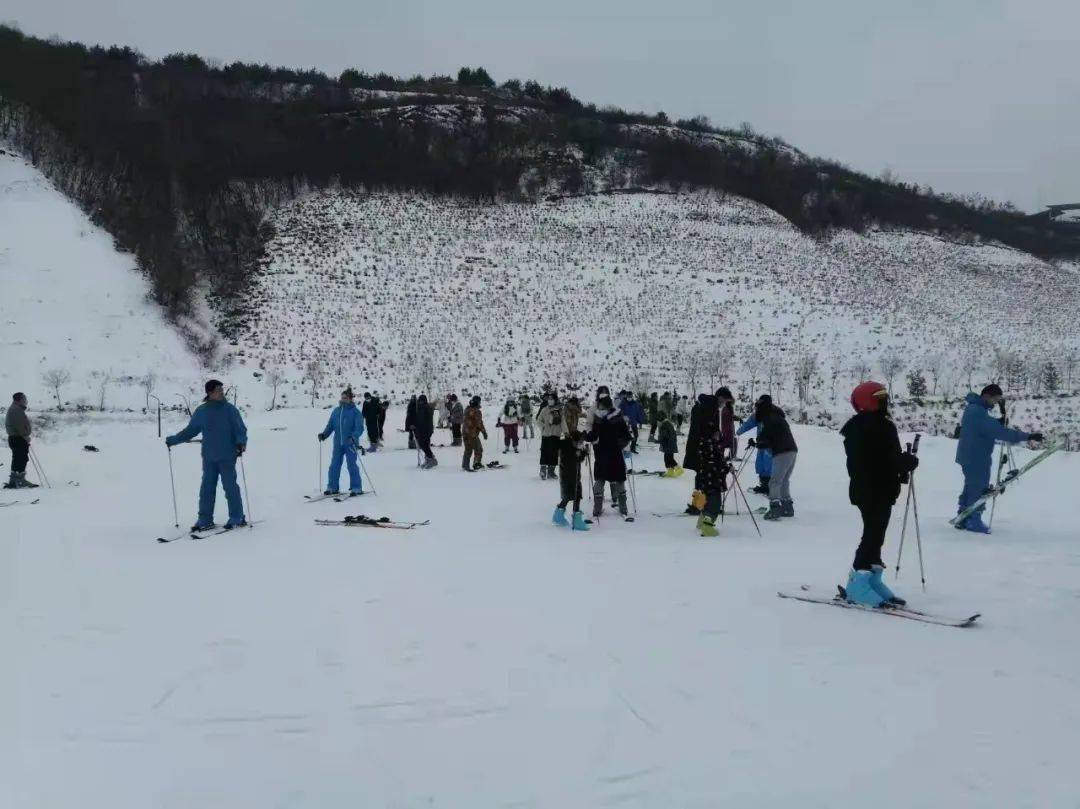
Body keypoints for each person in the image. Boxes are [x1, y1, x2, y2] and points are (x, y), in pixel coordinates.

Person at [840, 382, 919, 607]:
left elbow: (877, 459)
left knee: (876, 534)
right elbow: (880, 460)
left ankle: (871, 580)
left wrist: (900, 464)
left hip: (871, 489)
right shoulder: (877, 426)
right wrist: (904, 462)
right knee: (873, 535)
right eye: (881, 398)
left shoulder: (860, 426)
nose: (885, 402)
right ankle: (858, 585)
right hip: (874, 489)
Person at [955, 383, 1042, 533]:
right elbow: (999, 433)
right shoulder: (977, 412)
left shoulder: (974, 408)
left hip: (969, 455)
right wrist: (1028, 436)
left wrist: (998, 421)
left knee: (970, 486)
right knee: (978, 488)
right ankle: (973, 520)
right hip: (976, 457)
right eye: (995, 400)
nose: (995, 403)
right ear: (987, 396)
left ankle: (963, 516)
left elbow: (985, 426)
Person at [165, 379, 248, 531]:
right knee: (207, 489)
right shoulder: (202, 412)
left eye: (222, 390)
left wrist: (241, 442)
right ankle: (205, 519)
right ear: (209, 392)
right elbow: (190, 431)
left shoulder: (230, 410)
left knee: (230, 487)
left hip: (227, 455)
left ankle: (237, 517)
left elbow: (240, 428)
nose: (222, 392)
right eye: (218, 390)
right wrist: (174, 440)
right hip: (209, 457)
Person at [752, 396, 798, 520]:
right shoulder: (777, 416)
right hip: (792, 450)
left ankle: (775, 509)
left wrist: (757, 442)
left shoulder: (769, 418)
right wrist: (760, 442)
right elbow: (770, 437)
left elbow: (765, 438)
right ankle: (787, 508)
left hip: (782, 452)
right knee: (783, 480)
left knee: (775, 481)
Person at [587, 394, 631, 518]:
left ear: (605, 405)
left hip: (608, 453)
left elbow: (625, 435)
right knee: (610, 479)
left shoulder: (608, 417)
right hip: (607, 453)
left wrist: (620, 444)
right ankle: (605, 508)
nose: (599, 406)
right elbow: (595, 435)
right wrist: (590, 436)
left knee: (609, 479)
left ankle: (613, 508)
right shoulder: (602, 417)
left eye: (600, 404)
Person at [694, 391, 732, 537]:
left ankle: (701, 521)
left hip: (704, 469)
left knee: (707, 495)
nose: (723, 405)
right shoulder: (710, 440)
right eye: (724, 402)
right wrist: (726, 467)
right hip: (712, 472)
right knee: (715, 500)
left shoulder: (703, 436)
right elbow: (715, 460)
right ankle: (707, 526)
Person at [318, 387, 365, 495]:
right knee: (334, 465)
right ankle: (332, 487)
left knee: (351, 465)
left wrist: (354, 436)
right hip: (338, 443)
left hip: (350, 443)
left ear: (350, 399)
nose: (343, 400)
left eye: (345, 398)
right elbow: (330, 425)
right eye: (342, 398)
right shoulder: (336, 411)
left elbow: (359, 428)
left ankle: (356, 487)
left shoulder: (355, 412)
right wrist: (324, 434)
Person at [553, 430, 590, 531]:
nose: (580, 444)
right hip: (570, 477)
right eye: (579, 442)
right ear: (573, 441)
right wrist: (581, 454)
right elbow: (574, 460)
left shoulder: (571, 447)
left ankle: (558, 515)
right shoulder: (568, 448)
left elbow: (578, 459)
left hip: (572, 476)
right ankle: (576, 519)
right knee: (575, 495)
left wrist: (583, 453)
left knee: (569, 496)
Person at [736, 395, 774, 495]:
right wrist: (738, 432)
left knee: (769, 464)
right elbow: (748, 424)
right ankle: (764, 486)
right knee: (760, 464)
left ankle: (772, 488)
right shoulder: (758, 414)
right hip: (761, 443)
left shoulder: (774, 415)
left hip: (771, 444)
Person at [682, 393, 709, 515]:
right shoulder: (702, 412)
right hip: (700, 449)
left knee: (699, 477)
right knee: (702, 478)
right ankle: (699, 505)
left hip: (695, 448)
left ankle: (697, 504)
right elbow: (700, 431)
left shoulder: (696, 410)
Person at [5, 392, 36, 489]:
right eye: (24, 399)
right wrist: (25, 436)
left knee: (20, 458)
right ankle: (18, 480)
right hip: (18, 438)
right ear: (19, 400)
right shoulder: (15, 410)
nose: (26, 401)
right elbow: (19, 426)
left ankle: (16, 480)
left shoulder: (16, 409)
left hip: (18, 438)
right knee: (20, 459)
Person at [537, 391, 563, 479]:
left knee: (554, 453)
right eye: (549, 399)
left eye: (552, 399)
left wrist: (566, 432)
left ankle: (551, 472)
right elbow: (538, 420)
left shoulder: (559, 410)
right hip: (546, 435)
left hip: (556, 434)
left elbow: (563, 423)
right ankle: (543, 471)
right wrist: (543, 427)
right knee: (544, 452)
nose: (550, 400)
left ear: (555, 400)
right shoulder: (544, 409)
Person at [461, 396, 488, 471]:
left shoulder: (467, 409)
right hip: (472, 434)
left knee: (468, 449)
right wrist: (484, 432)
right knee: (478, 449)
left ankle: (465, 465)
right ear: (477, 402)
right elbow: (479, 423)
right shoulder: (476, 411)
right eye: (479, 402)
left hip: (465, 432)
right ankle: (477, 464)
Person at [414, 394, 438, 468]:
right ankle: (429, 459)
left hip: (425, 430)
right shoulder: (425, 407)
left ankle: (431, 459)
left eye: (420, 401)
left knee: (424, 445)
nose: (419, 402)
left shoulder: (425, 408)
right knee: (425, 445)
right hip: (425, 429)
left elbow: (421, 419)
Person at [657, 409, 682, 478]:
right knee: (669, 458)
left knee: (668, 458)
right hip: (671, 444)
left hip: (668, 444)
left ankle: (679, 469)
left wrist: (659, 441)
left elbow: (664, 436)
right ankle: (670, 471)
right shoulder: (668, 423)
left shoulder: (664, 425)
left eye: (658, 418)